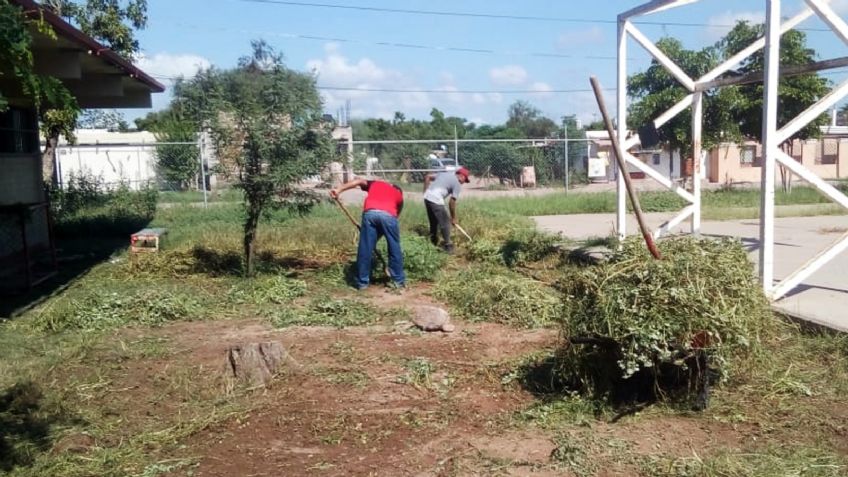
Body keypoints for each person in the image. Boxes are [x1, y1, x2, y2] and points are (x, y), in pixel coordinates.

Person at [330, 178, 405, 290]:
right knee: (394, 247)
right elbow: (394, 216)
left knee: (365, 248)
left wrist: (339, 190)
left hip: (370, 214)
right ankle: (398, 282)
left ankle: (362, 283)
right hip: (389, 217)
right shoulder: (399, 196)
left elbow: (358, 181)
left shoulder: (376, 183)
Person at [423, 167, 470, 253]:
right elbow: (451, 203)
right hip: (436, 199)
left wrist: (425, 191)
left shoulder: (444, 174)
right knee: (445, 223)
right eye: (465, 180)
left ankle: (432, 243)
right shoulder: (457, 184)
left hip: (427, 198)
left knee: (433, 222)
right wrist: (453, 218)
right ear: (462, 176)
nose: (464, 183)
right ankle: (448, 246)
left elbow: (427, 177)